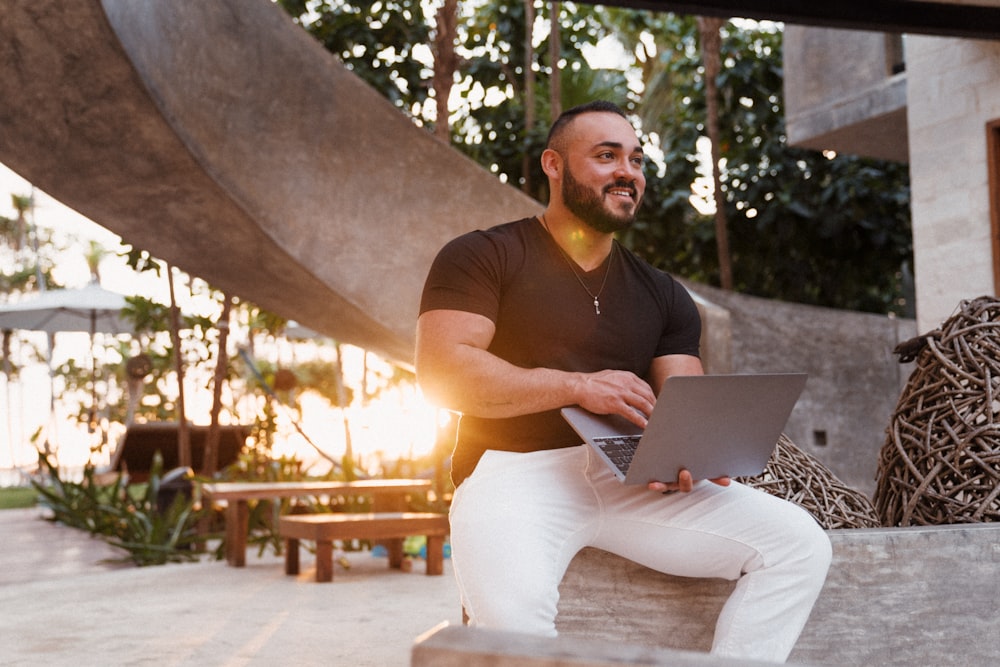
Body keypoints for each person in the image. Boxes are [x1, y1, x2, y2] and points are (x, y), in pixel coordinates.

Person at [415, 100, 831, 663]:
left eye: (635, 160)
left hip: (630, 474)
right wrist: (577, 386)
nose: (627, 172)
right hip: (511, 471)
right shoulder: (482, 255)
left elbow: (684, 403)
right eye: (606, 155)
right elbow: (443, 372)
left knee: (798, 545)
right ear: (554, 165)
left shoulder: (664, 293)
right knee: (511, 633)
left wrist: (690, 453)